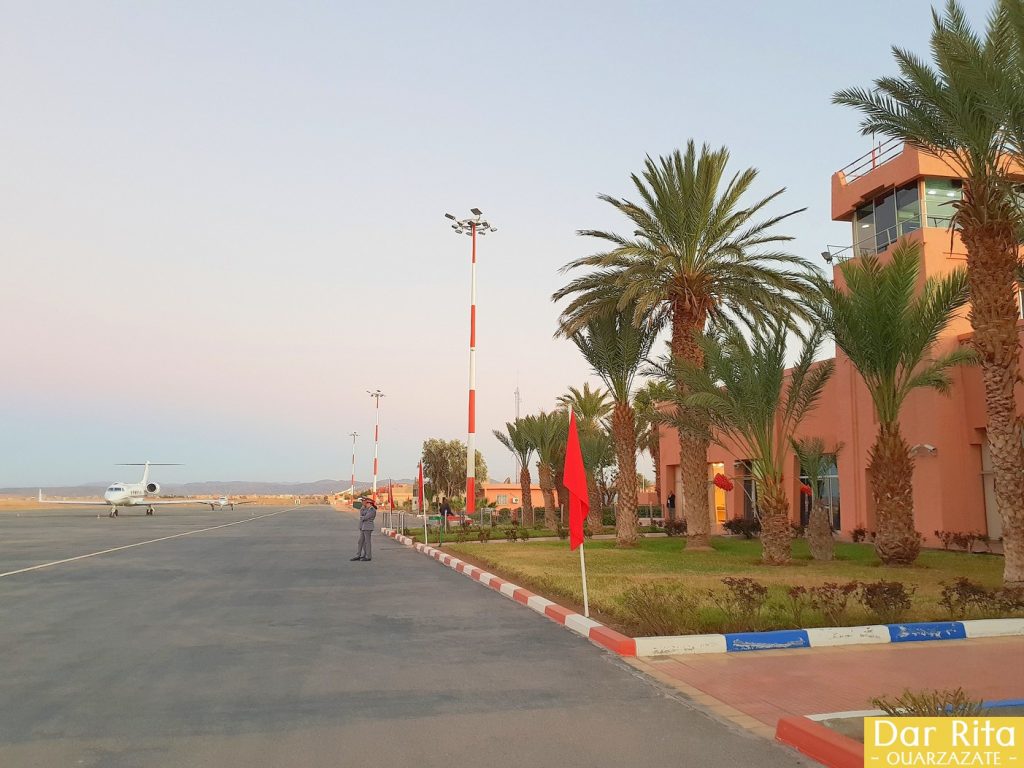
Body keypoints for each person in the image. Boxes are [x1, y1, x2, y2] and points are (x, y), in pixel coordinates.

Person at [351, 496, 377, 562]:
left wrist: (363, 517)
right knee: (360, 542)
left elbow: (365, 517)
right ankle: (359, 555)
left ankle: (368, 556)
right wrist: (363, 509)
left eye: (366, 503)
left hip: (368, 527)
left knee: (367, 542)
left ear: (370, 503)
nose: (364, 503)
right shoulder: (366, 509)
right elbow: (362, 514)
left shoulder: (372, 510)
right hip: (363, 527)